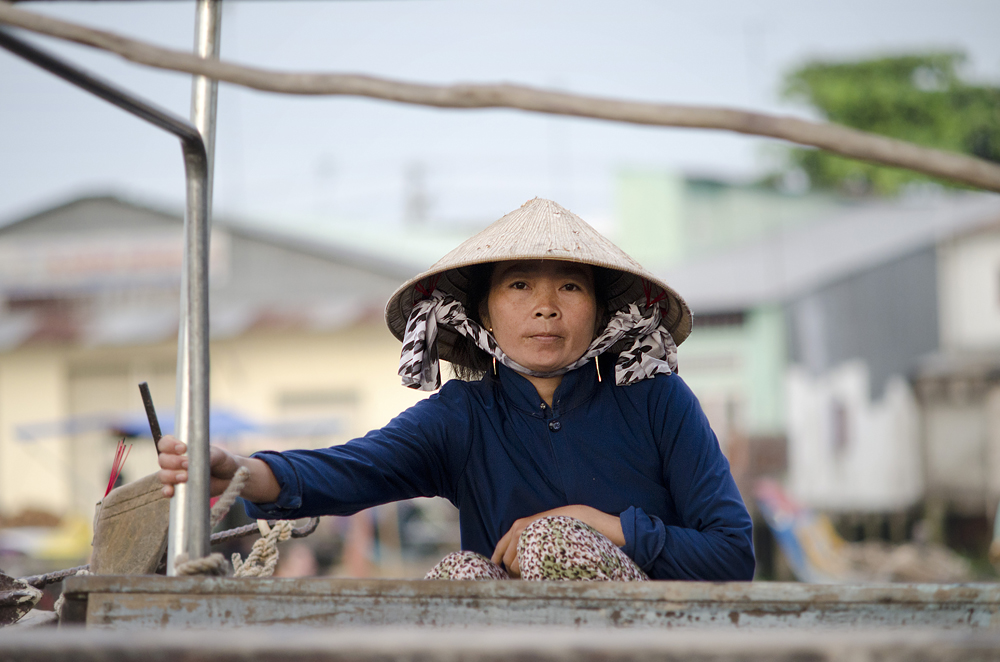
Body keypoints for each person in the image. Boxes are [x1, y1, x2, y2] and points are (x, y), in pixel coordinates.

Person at [158, 198, 754, 581]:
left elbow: (732, 553)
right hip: (515, 647)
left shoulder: (659, 400)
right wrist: (237, 469)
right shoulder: (462, 417)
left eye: (570, 287)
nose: (545, 307)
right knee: (460, 573)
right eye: (519, 285)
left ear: (599, 313)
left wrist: (596, 523)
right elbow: (350, 469)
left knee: (554, 539)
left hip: (652, 643)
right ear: (484, 316)